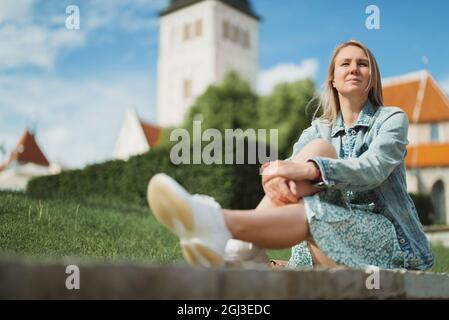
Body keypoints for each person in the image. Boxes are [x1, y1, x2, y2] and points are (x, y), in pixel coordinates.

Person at [147, 40, 435, 270]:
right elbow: (286, 171)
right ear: (332, 80)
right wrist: (277, 175)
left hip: (391, 244)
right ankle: (243, 248)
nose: (354, 68)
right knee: (317, 152)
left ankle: (219, 226)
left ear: (372, 78)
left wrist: (312, 170)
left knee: (313, 200)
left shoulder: (391, 119)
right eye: (345, 63)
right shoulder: (318, 129)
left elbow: (371, 168)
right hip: (326, 235)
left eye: (363, 64)